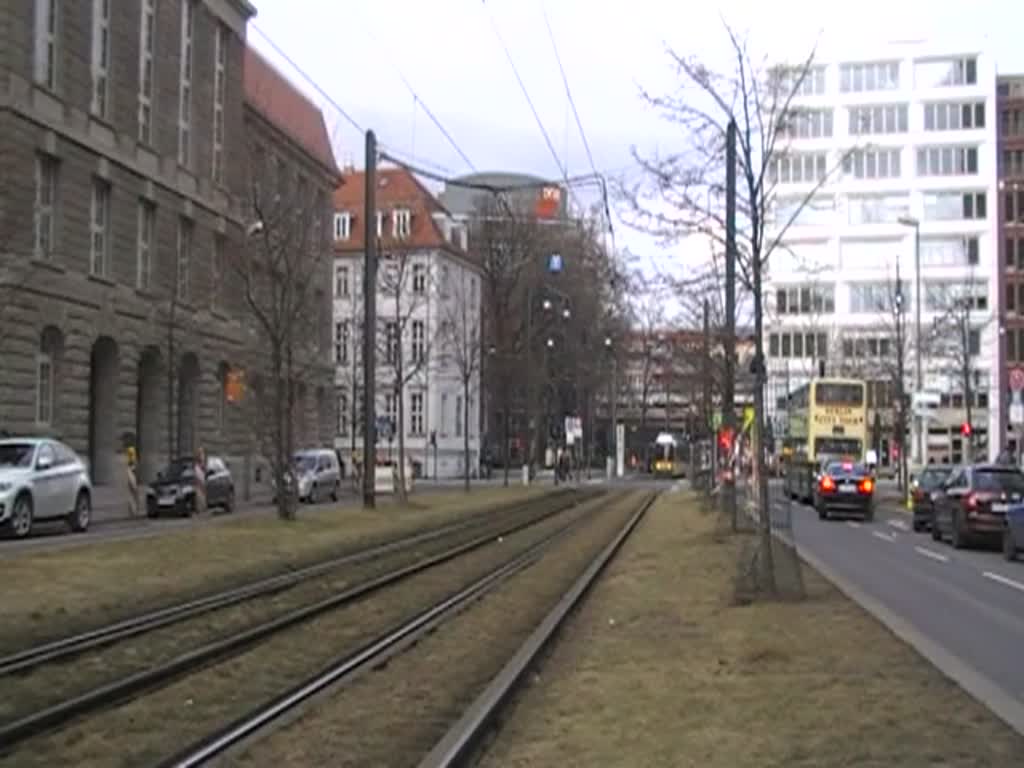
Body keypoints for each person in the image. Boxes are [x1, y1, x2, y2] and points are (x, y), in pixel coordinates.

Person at [194, 447, 208, 515]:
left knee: (202, 495)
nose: (202, 456)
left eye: (202, 453)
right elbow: (197, 476)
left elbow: (204, 472)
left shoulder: (203, 465)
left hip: (202, 482)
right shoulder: (196, 466)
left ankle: (203, 509)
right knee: (199, 496)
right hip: (198, 483)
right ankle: (199, 510)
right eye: (200, 453)